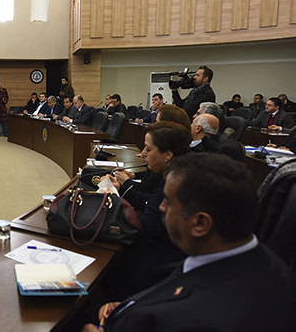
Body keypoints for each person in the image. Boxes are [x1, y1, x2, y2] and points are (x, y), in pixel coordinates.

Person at [82, 153, 296, 332]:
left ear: (200, 223)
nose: (162, 208)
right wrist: (130, 306)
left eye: (168, 201)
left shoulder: (201, 321)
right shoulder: (257, 259)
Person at [99, 122, 191, 299]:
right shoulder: (178, 172)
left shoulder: (173, 183)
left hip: (155, 264)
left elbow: (144, 226)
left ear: (167, 155)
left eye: (148, 150)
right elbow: (152, 203)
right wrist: (122, 190)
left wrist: (112, 200)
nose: (144, 154)